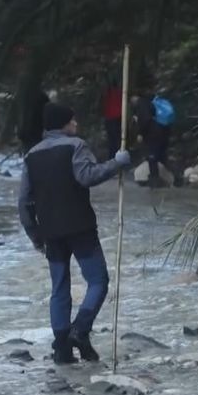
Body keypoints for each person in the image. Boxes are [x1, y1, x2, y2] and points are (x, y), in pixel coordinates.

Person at [18, 103, 131, 364]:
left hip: (50, 232)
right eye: (73, 120)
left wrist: (35, 236)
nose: (76, 125)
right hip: (80, 227)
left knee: (59, 288)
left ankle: (62, 349)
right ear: (65, 124)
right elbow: (87, 176)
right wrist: (118, 163)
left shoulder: (31, 156)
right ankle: (80, 330)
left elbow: (24, 202)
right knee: (98, 281)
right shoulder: (75, 146)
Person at [134, 92, 172, 186]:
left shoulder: (142, 103)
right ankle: (174, 177)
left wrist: (140, 133)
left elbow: (145, 120)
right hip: (164, 130)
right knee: (162, 154)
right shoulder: (153, 101)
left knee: (152, 156)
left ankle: (154, 179)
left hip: (153, 132)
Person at [101, 78, 124, 160]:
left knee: (112, 140)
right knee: (117, 139)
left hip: (111, 118)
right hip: (118, 117)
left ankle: (113, 157)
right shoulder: (119, 92)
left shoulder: (108, 93)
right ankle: (118, 156)